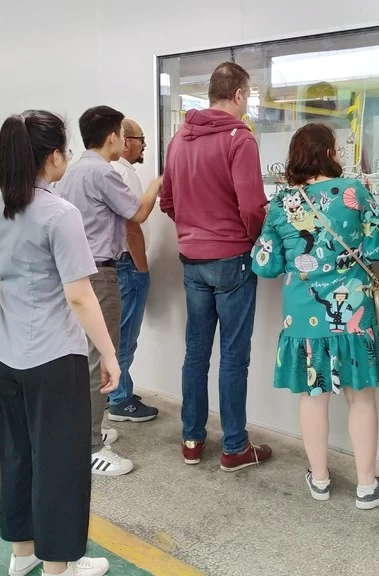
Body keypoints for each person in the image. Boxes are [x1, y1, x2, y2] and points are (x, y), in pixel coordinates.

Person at [0, 110, 115, 576]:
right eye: (65, 150)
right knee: (60, 463)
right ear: (53, 157)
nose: (68, 158)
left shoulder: (1, 206)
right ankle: (59, 567)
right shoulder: (60, 213)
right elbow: (78, 293)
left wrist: (14, 285)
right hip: (55, 358)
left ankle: (23, 553)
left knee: (18, 454)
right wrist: (111, 355)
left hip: (8, 355)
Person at [252, 123, 379, 509]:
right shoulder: (353, 192)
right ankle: (367, 487)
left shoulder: (281, 204)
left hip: (303, 319)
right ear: (329, 154)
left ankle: (319, 480)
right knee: (361, 399)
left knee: (313, 398)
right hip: (352, 315)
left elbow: (265, 265)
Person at [160, 62, 272, 471]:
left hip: (192, 261)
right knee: (232, 357)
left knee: (195, 353)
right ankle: (234, 447)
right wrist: (249, 238)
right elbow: (252, 207)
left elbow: (167, 202)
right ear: (240, 94)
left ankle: (191, 440)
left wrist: (193, 230)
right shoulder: (239, 139)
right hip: (233, 260)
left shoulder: (177, 141)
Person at [57, 106, 162, 477]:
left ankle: (89, 430)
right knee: (100, 358)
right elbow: (137, 214)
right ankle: (90, 448)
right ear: (113, 136)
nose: (126, 139)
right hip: (99, 274)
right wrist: (157, 183)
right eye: (123, 133)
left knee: (86, 356)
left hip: (76, 272)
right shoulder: (102, 172)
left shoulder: (73, 171)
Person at [106, 118, 158, 422]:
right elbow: (131, 226)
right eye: (140, 139)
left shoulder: (116, 172)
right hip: (127, 264)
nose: (143, 145)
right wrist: (141, 266)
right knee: (125, 336)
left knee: (121, 334)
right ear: (125, 141)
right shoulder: (122, 174)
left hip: (120, 264)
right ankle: (120, 399)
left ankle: (121, 387)